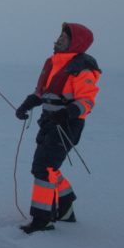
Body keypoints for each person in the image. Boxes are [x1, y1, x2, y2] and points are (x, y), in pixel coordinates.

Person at [15, 22, 101, 233]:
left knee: (43, 168)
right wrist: (27, 104)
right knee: (48, 167)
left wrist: (67, 113)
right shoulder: (53, 63)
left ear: (75, 42)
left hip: (67, 125)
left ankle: (42, 219)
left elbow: (87, 101)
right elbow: (41, 92)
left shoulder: (82, 67)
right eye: (60, 35)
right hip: (48, 122)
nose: (59, 39)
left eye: (64, 37)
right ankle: (64, 205)